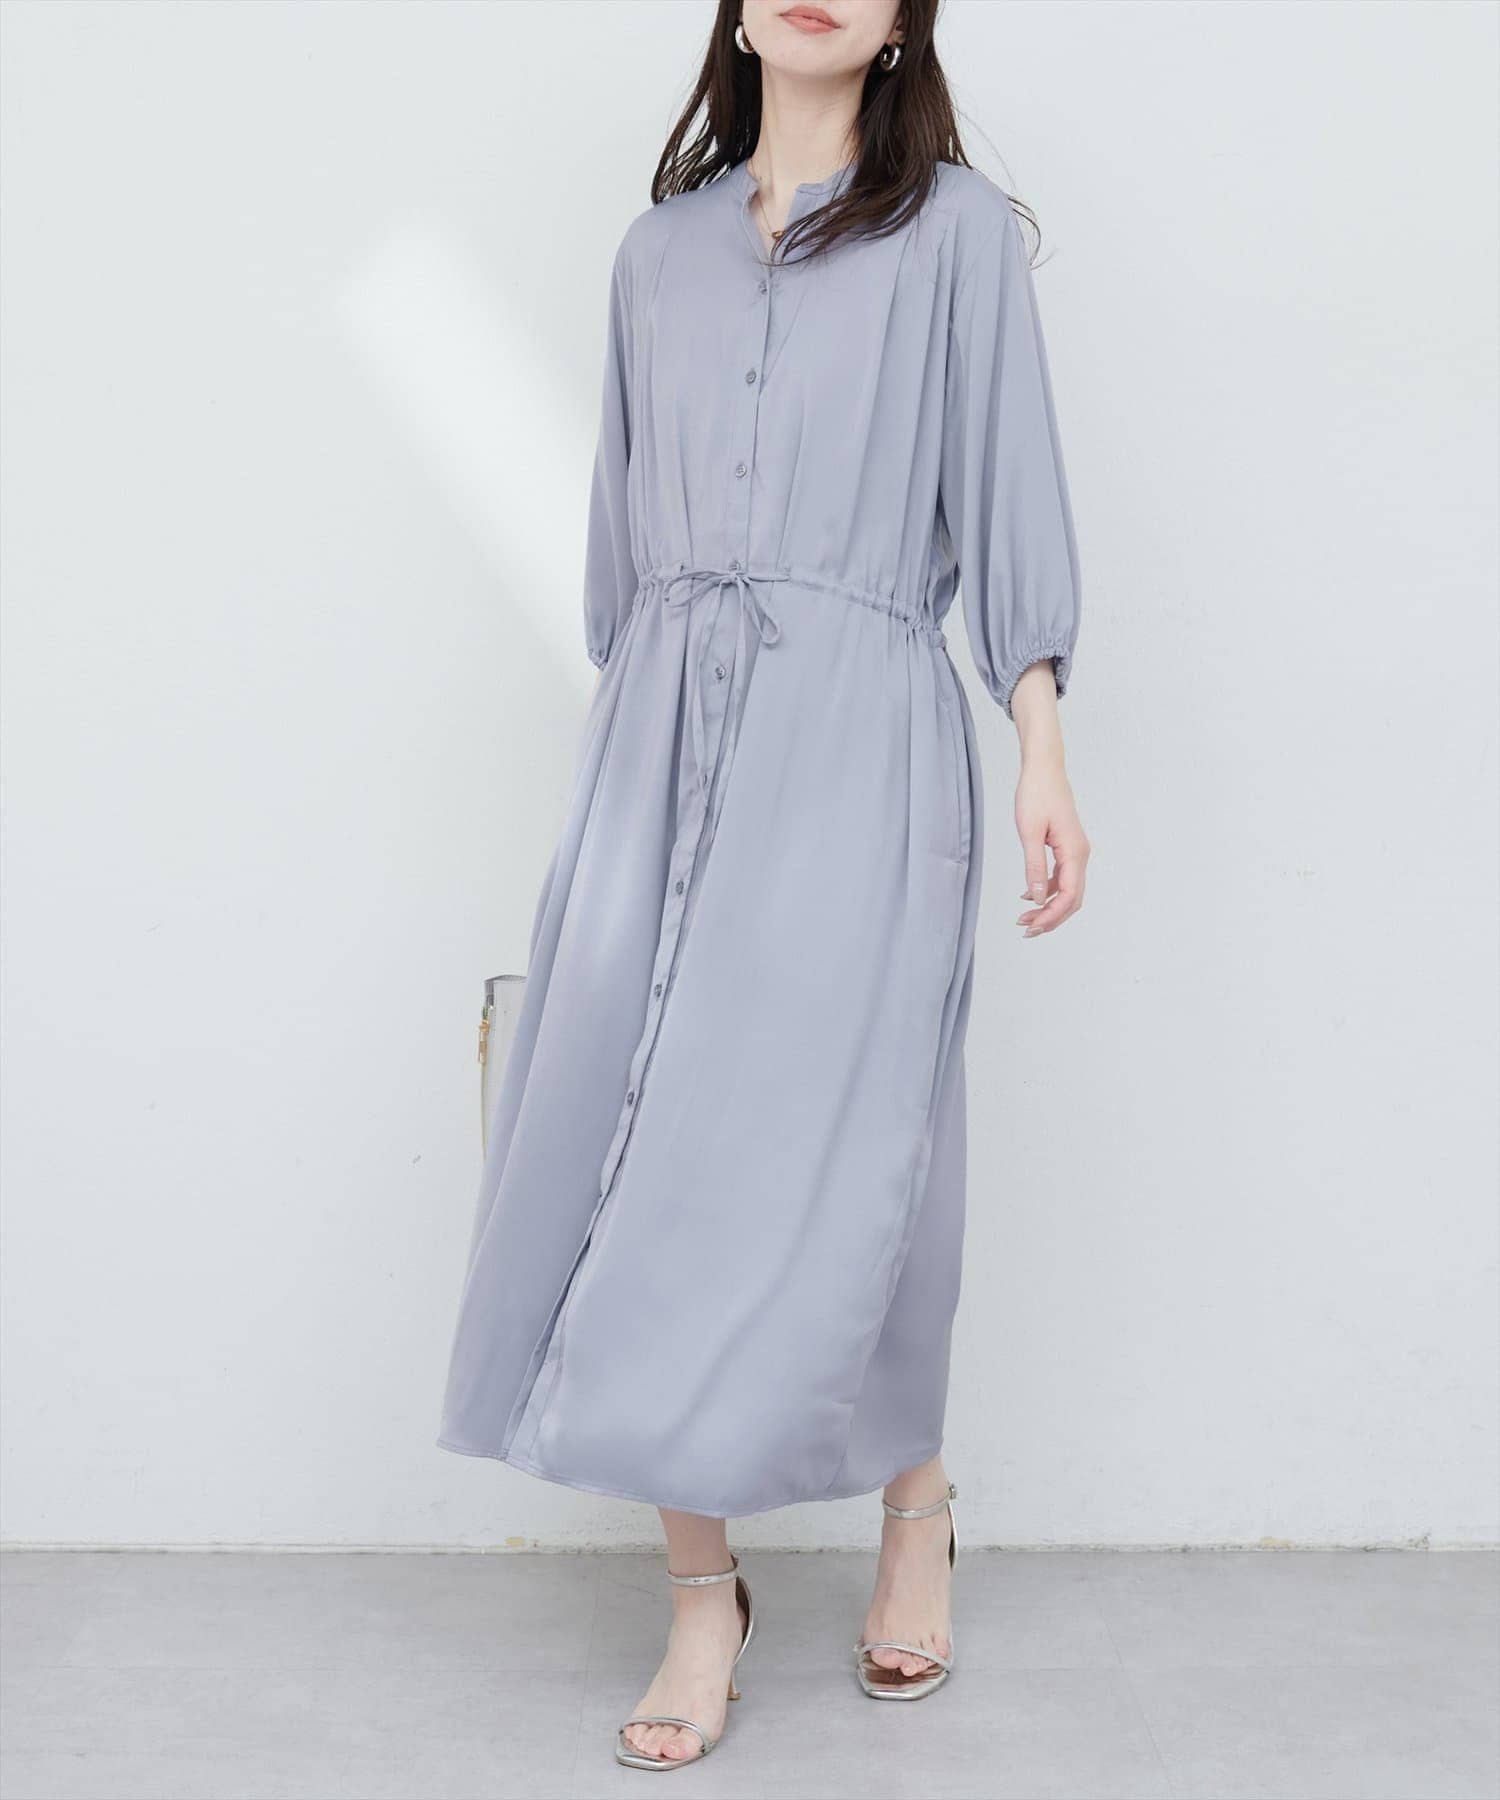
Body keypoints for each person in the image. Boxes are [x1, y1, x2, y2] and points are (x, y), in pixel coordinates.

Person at [438, 0, 1088, 1769]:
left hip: (863, 735)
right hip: (662, 741)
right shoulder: (657, 257)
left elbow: (1007, 493)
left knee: (866, 1141)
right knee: (647, 1146)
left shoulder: (956, 238)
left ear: (901, 26)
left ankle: (914, 1507)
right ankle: (700, 1596)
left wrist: (1039, 746)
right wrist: (637, 750)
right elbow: (616, 552)